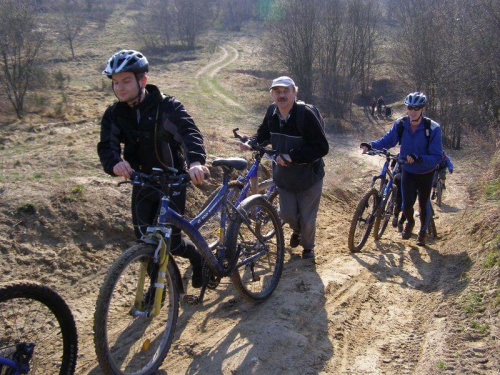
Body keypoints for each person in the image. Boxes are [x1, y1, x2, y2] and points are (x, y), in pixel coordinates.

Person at [97, 49, 209, 288]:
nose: (120, 88)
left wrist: (196, 162)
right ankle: (157, 287)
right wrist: (114, 163)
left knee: (173, 243)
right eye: (116, 83)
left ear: (143, 80)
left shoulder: (166, 107)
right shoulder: (115, 114)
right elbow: (107, 146)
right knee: (144, 243)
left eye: (126, 81)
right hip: (142, 182)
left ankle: (197, 259)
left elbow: (190, 134)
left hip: (172, 182)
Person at [240, 76, 329, 259]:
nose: (281, 95)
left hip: (309, 177)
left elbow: (322, 147)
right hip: (284, 177)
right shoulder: (272, 112)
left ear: (294, 93)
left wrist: (292, 156)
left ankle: (308, 248)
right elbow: (264, 133)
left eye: (285, 91)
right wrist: (252, 142)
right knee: (288, 215)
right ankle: (296, 230)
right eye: (277, 92)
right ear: (272, 95)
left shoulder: (305, 115)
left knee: (307, 218)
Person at [361, 92, 443, 246]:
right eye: (410, 108)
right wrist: (371, 145)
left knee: (423, 203)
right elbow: (388, 140)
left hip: (426, 172)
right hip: (408, 171)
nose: (412, 111)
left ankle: (423, 232)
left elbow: (437, 156)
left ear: (423, 109)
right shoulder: (401, 124)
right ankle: (410, 223)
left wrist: (419, 158)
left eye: (416, 108)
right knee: (406, 205)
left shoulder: (432, 128)